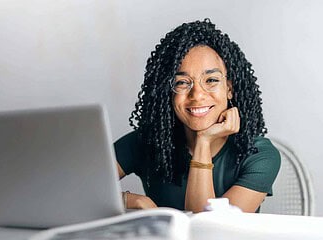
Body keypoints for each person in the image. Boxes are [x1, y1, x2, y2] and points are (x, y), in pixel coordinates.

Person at [114, 19, 281, 213]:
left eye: (211, 80)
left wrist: (204, 140)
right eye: (182, 83)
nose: (197, 95)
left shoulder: (259, 155)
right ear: (168, 92)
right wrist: (130, 200)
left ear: (229, 88)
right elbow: (74, 190)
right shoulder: (147, 142)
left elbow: (208, 230)